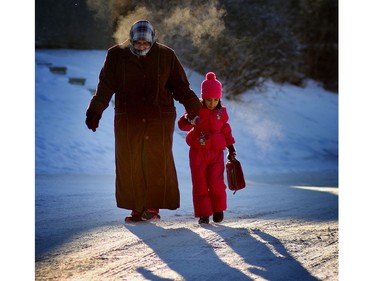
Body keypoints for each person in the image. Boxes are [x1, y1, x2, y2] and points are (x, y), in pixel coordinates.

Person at [85, 20, 202, 222]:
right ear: (130, 40)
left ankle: (153, 207)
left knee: (156, 162)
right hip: (129, 118)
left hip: (159, 118)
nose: (141, 48)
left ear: (153, 41)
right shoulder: (116, 55)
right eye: (137, 44)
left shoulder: (166, 55)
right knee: (131, 163)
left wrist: (193, 107)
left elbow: (180, 86)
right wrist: (95, 110)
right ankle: (137, 208)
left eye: (145, 44)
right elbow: (105, 87)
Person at [178, 72, 236, 224]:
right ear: (203, 98)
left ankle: (218, 209)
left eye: (215, 99)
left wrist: (230, 148)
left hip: (216, 153)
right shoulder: (196, 108)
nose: (212, 103)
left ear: (219, 98)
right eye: (209, 99)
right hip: (198, 152)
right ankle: (204, 214)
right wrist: (188, 119)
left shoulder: (221, 113)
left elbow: (226, 130)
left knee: (216, 184)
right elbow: (182, 125)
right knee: (200, 184)